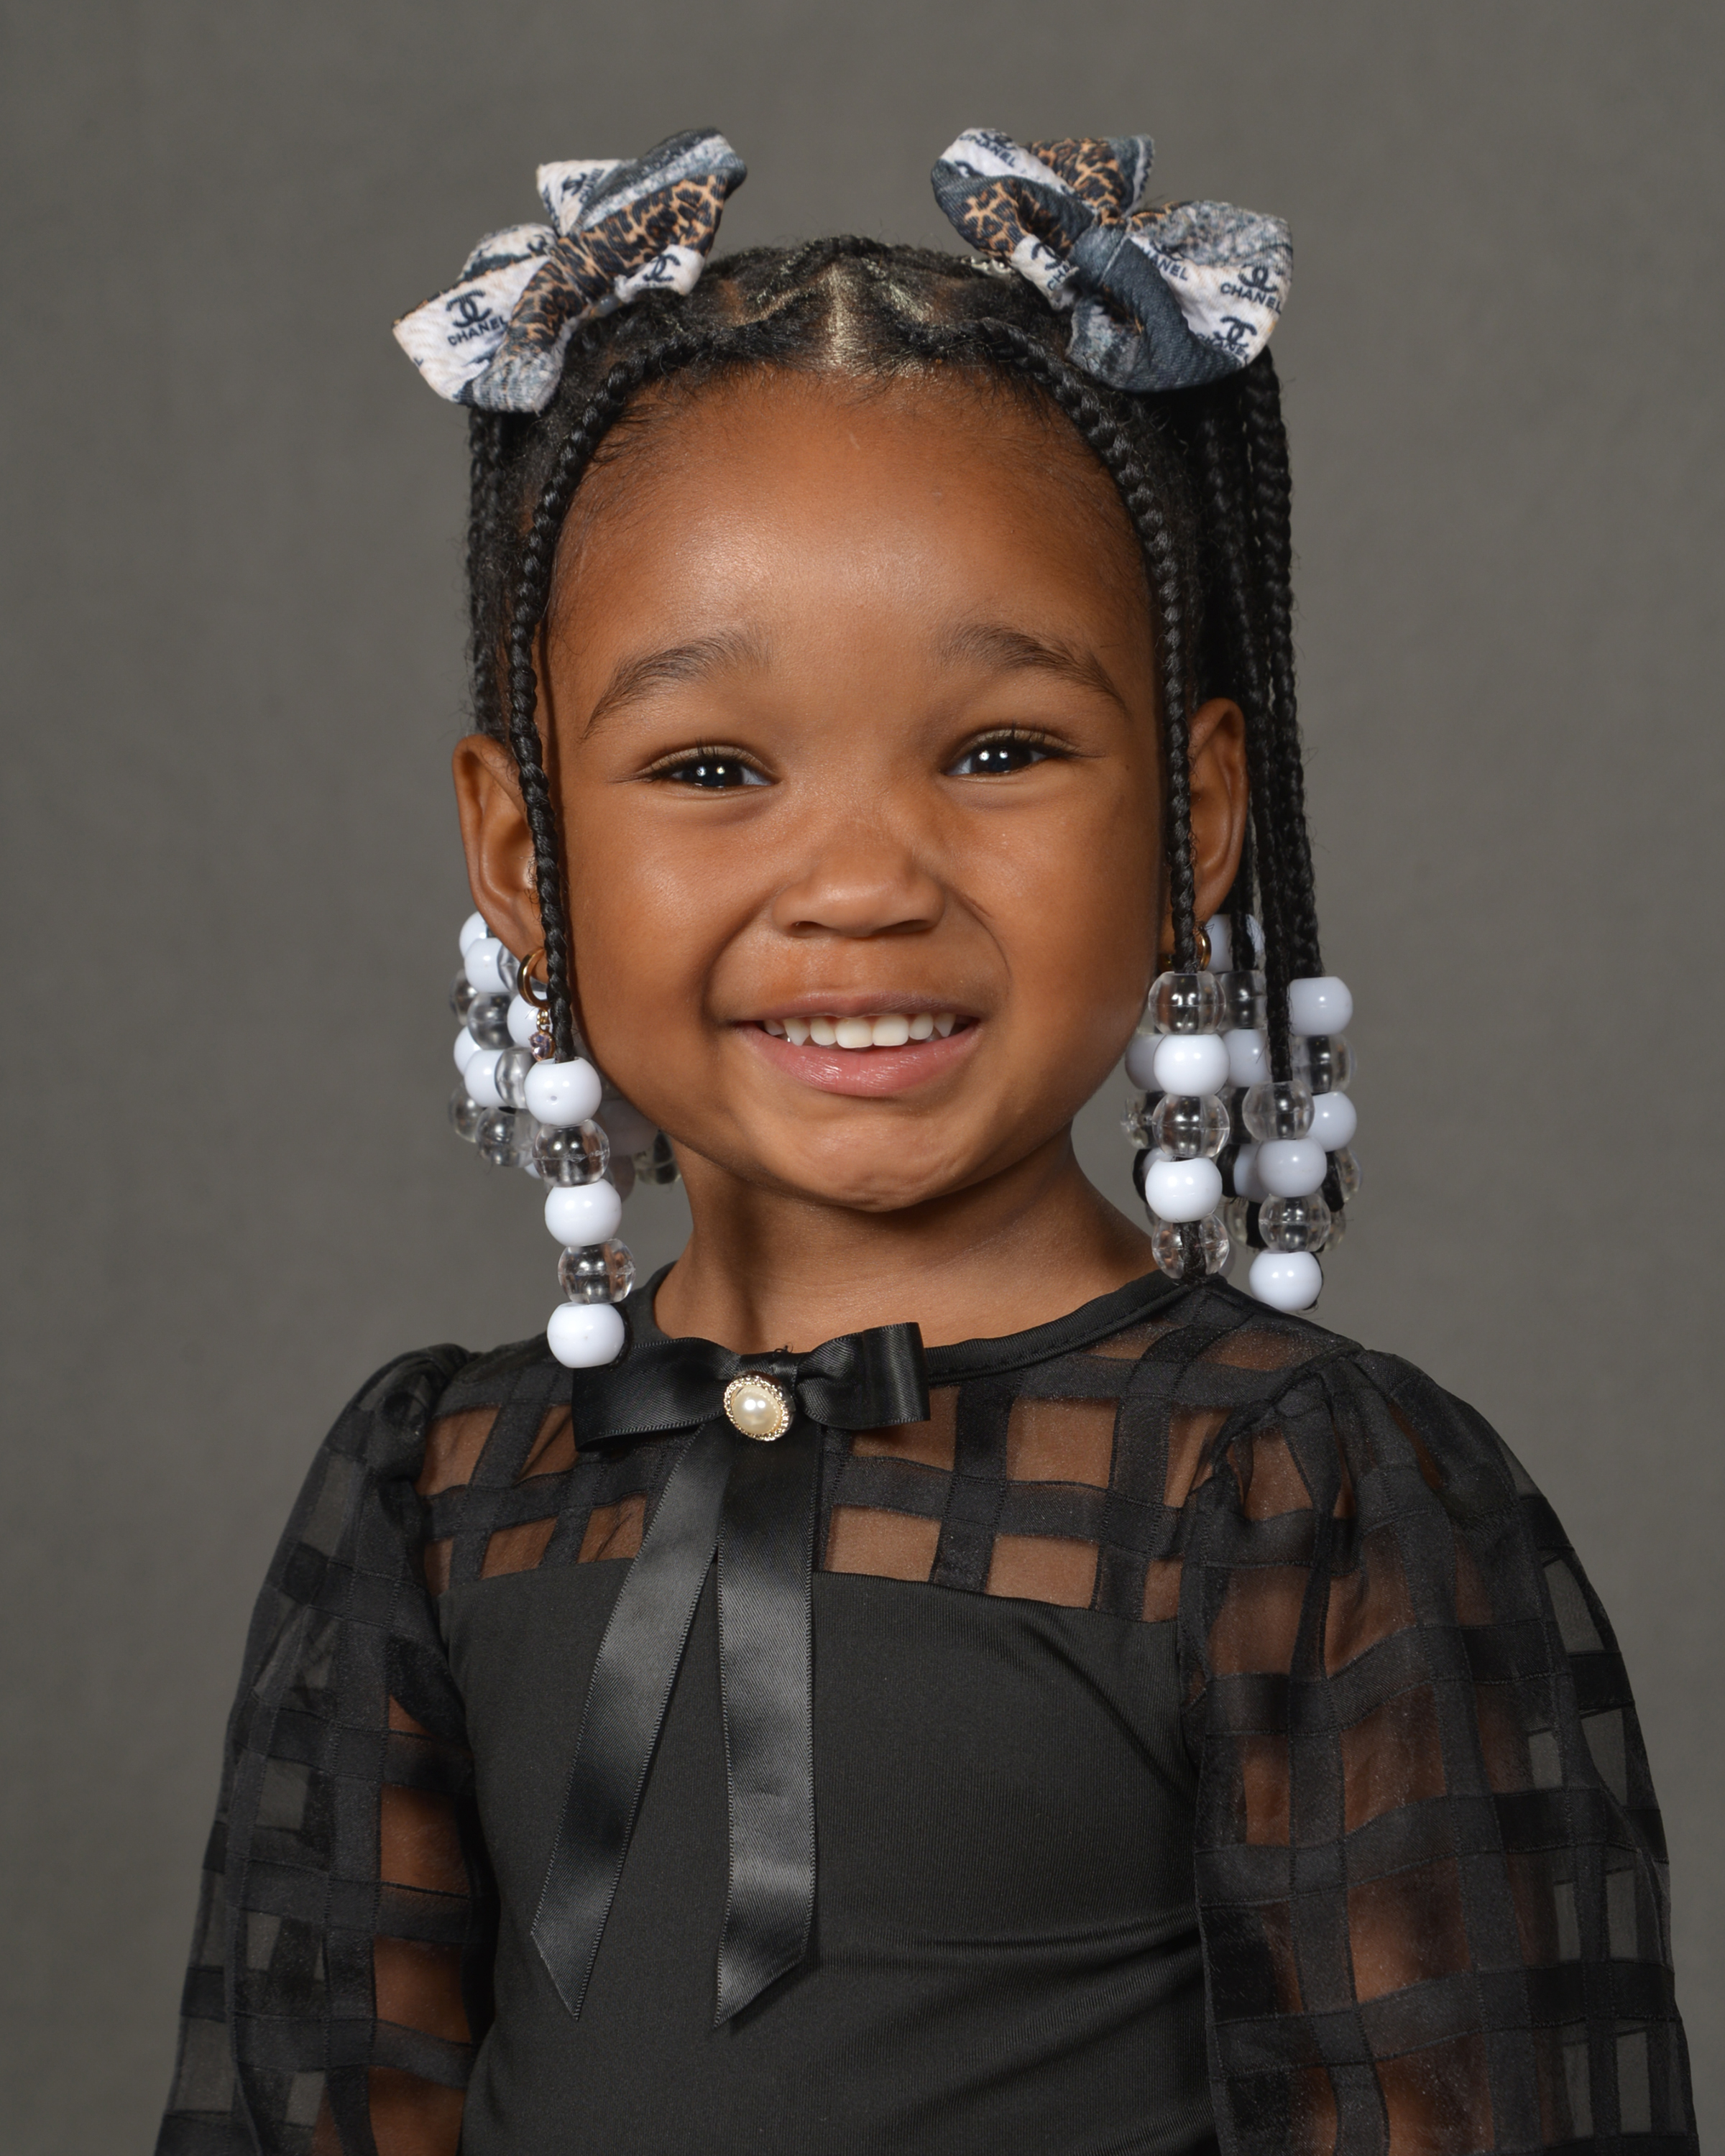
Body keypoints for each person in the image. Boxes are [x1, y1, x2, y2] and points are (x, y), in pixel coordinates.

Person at [155, 129, 1695, 2156]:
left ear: (1196, 820)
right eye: (715, 767)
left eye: (999, 751)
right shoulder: (437, 1492)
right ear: (524, 859)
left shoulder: (1292, 1496)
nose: (864, 883)